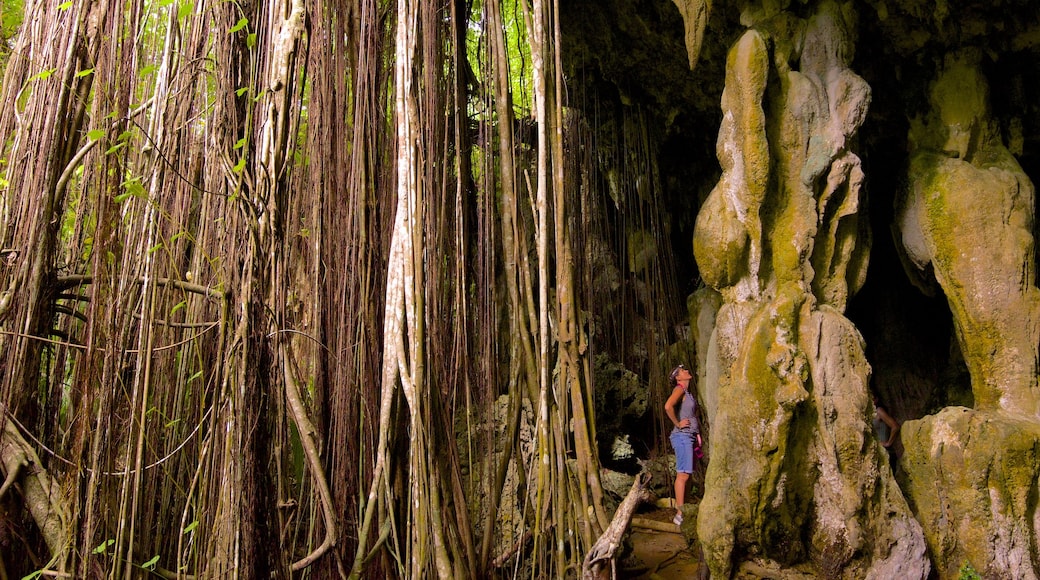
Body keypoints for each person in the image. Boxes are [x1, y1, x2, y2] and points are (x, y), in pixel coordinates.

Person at [664, 363, 702, 526]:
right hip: (682, 436)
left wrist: (696, 433)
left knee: (689, 476)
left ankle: (684, 510)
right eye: (682, 370)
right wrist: (678, 423)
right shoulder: (679, 389)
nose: (687, 370)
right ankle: (680, 514)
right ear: (678, 377)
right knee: (683, 475)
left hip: (689, 436)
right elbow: (668, 406)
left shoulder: (687, 392)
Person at [872, 393, 900, 471]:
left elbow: (895, 426)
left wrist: (888, 443)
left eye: (872, 397)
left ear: (876, 400)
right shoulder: (870, 414)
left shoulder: (879, 411)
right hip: (878, 452)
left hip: (887, 452)